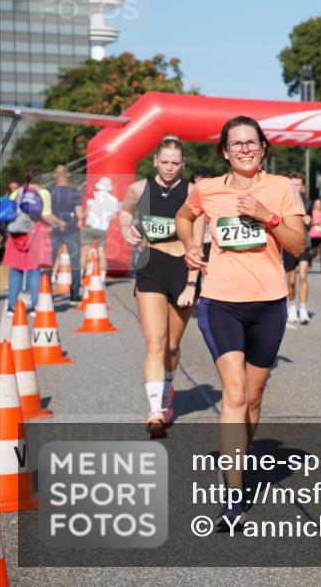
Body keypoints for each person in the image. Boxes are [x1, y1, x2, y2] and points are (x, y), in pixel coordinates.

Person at [175, 115, 305, 526]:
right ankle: (234, 492)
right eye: (236, 144)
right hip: (221, 301)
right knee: (233, 395)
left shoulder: (282, 188)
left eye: (252, 143)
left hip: (268, 302)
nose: (245, 149)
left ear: (263, 148)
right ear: (224, 152)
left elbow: (298, 245)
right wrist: (190, 246)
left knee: (252, 397)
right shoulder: (207, 188)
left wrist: (267, 216)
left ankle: (236, 459)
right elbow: (184, 216)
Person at [119, 136, 204, 438]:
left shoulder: (193, 192)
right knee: (155, 341)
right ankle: (155, 410)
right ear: (155, 160)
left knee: (171, 346)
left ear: (183, 165)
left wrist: (191, 284)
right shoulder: (139, 188)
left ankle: (168, 392)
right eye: (164, 161)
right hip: (150, 265)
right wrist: (125, 229)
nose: (169, 168)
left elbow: (198, 242)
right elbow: (126, 211)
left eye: (175, 163)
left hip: (182, 269)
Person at [2, 170, 56, 316]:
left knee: (16, 269)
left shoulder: (17, 192)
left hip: (17, 234)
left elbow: (8, 212)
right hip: (36, 233)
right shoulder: (43, 193)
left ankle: (11, 307)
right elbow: (46, 215)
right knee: (35, 270)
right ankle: (36, 305)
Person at [49, 164, 85, 304]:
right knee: (75, 263)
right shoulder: (74, 192)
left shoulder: (49, 191)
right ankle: (74, 295)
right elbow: (80, 214)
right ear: (68, 175)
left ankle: (47, 294)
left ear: (54, 175)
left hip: (53, 230)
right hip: (72, 230)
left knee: (49, 263)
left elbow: (46, 213)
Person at [283, 172, 312, 324]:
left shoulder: (308, 202)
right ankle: (292, 306)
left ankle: (303, 308)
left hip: (304, 244)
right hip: (288, 244)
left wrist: (309, 219)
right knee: (292, 279)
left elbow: (312, 219)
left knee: (303, 275)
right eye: (292, 184)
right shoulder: (283, 202)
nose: (295, 187)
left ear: (303, 187)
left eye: (298, 184)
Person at [84, 176, 121, 281]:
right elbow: (114, 216)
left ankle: (84, 274)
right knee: (101, 253)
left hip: (90, 226)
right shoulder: (114, 200)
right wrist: (106, 223)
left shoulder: (93, 196)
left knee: (85, 251)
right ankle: (102, 276)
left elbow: (87, 212)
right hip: (103, 228)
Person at [192, 167, 214, 264]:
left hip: (209, 240)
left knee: (205, 269)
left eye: (203, 176)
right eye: (197, 176)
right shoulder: (189, 191)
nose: (199, 179)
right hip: (192, 241)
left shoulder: (214, 193)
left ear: (209, 178)